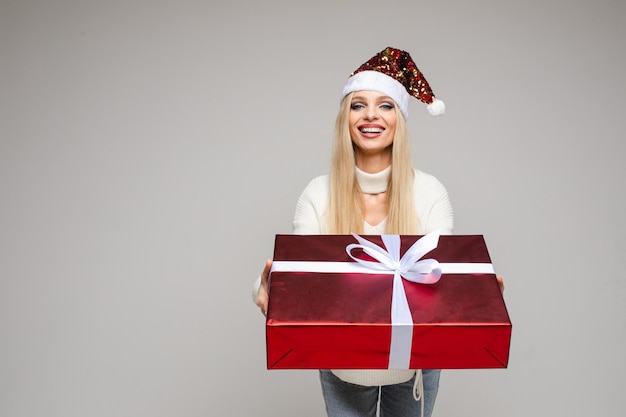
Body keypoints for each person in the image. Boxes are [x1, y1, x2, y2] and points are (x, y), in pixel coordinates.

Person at [254, 47, 503, 417]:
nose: (371, 115)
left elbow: (439, 281)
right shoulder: (317, 193)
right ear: (345, 118)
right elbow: (300, 281)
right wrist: (269, 292)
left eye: (386, 105)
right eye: (358, 105)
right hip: (341, 365)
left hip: (415, 365)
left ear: (400, 119)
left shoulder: (429, 192)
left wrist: (475, 295)